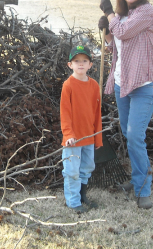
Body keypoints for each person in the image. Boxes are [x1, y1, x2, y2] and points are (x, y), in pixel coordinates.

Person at [97, 0, 153, 209]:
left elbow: (123, 32)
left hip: (144, 85)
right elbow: (116, 45)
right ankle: (136, 180)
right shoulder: (124, 16)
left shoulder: (147, 12)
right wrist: (106, 31)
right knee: (129, 134)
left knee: (135, 136)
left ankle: (143, 189)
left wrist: (109, 13)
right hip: (122, 83)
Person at [60, 45, 103, 213]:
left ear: (90, 65)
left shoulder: (94, 86)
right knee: (72, 171)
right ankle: (73, 202)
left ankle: (83, 196)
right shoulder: (68, 85)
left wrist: (97, 137)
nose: (80, 64)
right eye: (76, 61)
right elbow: (65, 112)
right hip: (73, 139)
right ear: (70, 65)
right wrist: (68, 134)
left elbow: (96, 114)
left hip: (89, 137)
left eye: (84, 61)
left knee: (86, 168)